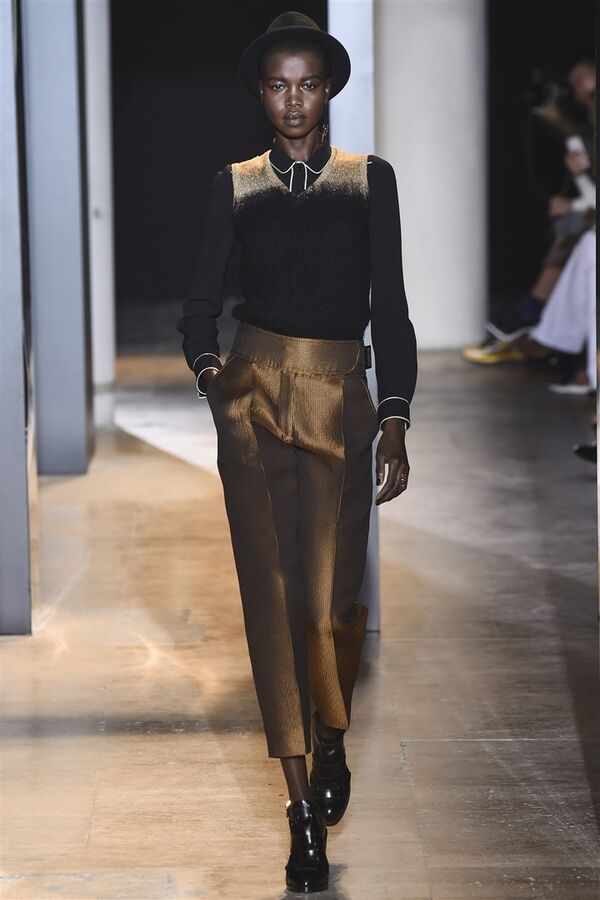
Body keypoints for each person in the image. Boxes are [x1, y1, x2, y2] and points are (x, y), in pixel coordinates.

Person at [176, 12, 417, 893]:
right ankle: (300, 811)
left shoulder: (369, 181)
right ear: (261, 92)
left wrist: (394, 416)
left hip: (340, 398)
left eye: (307, 83)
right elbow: (199, 306)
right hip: (255, 401)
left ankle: (333, 733)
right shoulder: (235, 186)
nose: (292, 100)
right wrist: (216, 382)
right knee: (272, 605)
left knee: (332, 606)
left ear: (328, 89)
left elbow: (390, 307)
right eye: (278, 85)